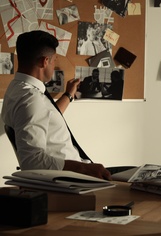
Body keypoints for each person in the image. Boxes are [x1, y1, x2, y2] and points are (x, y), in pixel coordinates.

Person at [1, 30, 111, 180]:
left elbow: (44, 116)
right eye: (54, 61)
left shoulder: (17, 89)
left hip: (74, 173)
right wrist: (85, 168)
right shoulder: (31, 99)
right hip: (70, 179)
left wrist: (68, 95)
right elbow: (32, 161)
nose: (54, 66)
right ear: (44, 62)